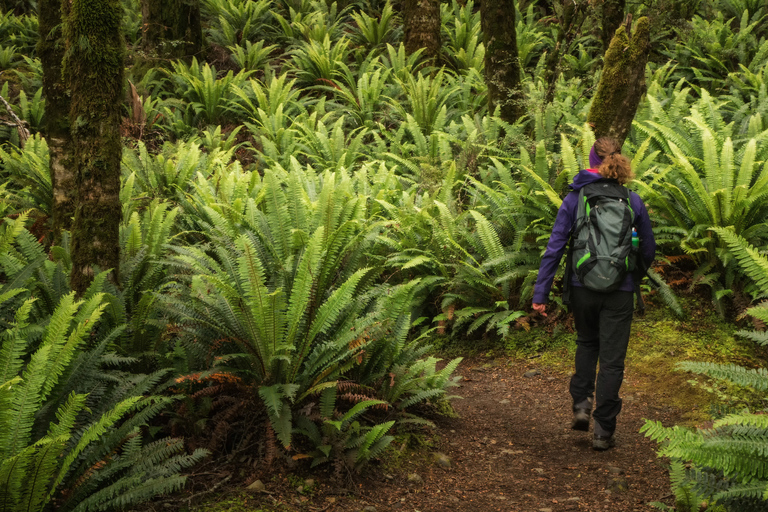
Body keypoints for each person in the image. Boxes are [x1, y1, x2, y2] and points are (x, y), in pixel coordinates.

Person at [531, 137, 655, 451]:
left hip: (581, 286)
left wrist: (541, 293)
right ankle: (603, 432)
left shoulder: (575, 198)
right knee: (613, 362)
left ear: (590, 161)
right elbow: (649, 250)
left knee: (587, 342)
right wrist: (631, 277)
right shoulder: (632, 200)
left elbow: (555, 248)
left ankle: (582, 405)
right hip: (620, 290)